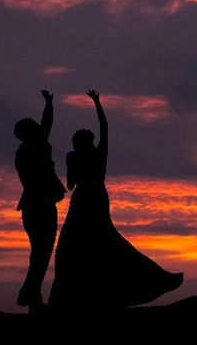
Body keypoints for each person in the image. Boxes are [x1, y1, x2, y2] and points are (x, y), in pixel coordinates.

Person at [48, 90, 183, 311]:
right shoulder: (96, 154)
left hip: (86, 199)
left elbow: (71, 184)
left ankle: (70, 299)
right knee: (94, 243)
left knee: (77, 245)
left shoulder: (76, 156)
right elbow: (105, 127)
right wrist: (97, 103)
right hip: (93, 198)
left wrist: (97, 103)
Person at [14, 90, 67, 312]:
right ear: (29, 133)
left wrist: (49, 103)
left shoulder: (29, 148)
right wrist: (49, 104)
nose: (39, 127)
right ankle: (30, 296)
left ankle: (33, 297)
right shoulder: (31, 149)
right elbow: (47, 125)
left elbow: (47, 123)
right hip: (39, 205)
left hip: (39, 204)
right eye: (34, 126)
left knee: (41, 252)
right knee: (41, 252)